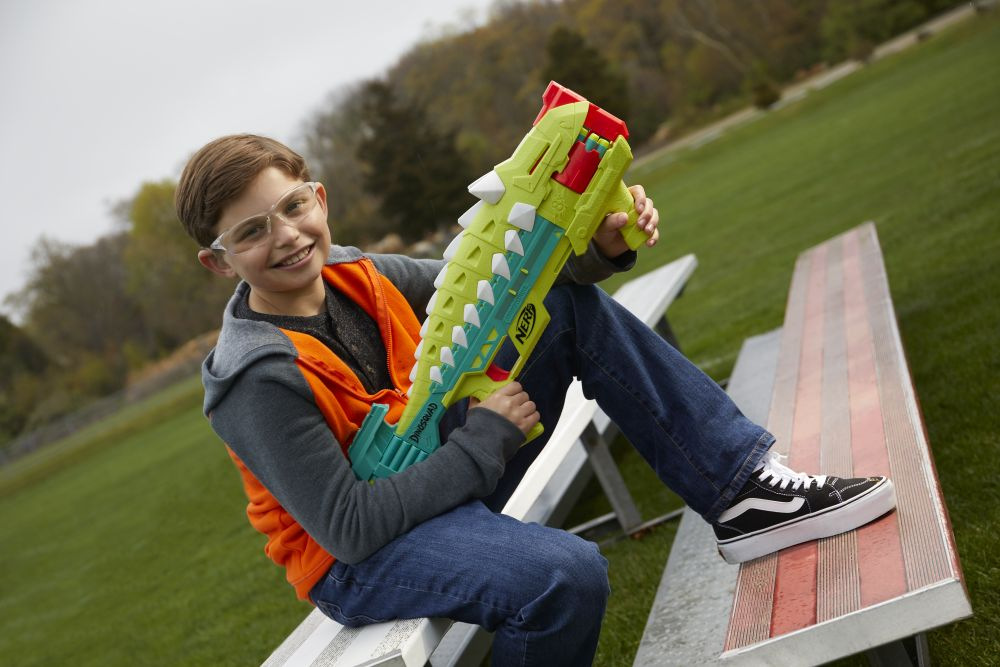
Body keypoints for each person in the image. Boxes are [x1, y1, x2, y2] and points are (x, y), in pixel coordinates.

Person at [175, 134, 896, 666]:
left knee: (562, 308)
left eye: (292, 206)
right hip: (357, 559)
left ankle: (740, 492)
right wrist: (483, 441)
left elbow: (510, 285)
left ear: (319, 198)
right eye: (252, 231)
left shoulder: (361, 273)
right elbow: (351, 528)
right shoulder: (253, 376)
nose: (287, 236)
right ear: (219, 262)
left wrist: (602, 246)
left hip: (430, 466)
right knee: (563, 576)